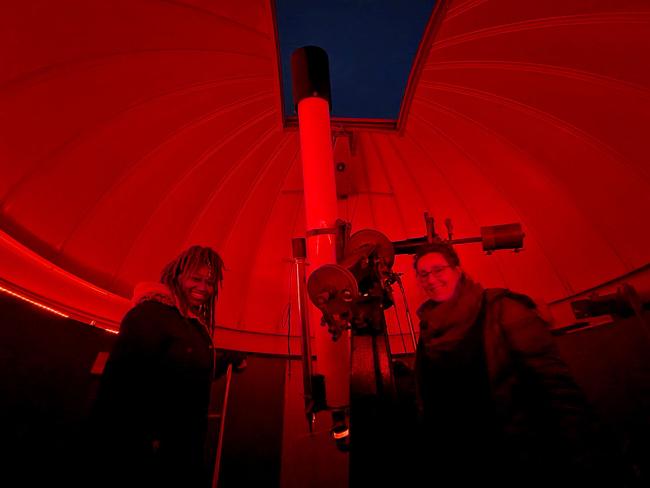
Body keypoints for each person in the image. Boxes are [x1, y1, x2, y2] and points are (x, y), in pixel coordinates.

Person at [412, 241, 628, 487]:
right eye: (424, 274)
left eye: (439, 270)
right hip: (463, 462)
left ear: (458, 271)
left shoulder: (503, 309)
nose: (432, 279)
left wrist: (588, 456)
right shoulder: (428, 328)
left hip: (519, 457)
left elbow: (556, 388)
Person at [88, 245, 246, 488]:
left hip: (180, 447)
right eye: (196, 279)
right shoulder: (150, 314)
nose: (204, 288)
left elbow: (187, 373)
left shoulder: (189, 324)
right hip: (147, 452)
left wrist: (227, 360)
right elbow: (120, 384)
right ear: (177, 275)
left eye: (210, 282)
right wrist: (139, 442)